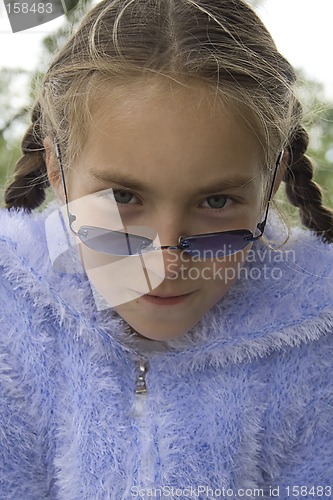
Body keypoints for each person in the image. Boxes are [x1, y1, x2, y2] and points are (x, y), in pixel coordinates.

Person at [1, 0, 333, 497]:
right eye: (122, 197)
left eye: (216, 201)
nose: (166, 261)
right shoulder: (10, 320)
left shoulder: (320, 351)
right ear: (57, 168)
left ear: (272, 183)